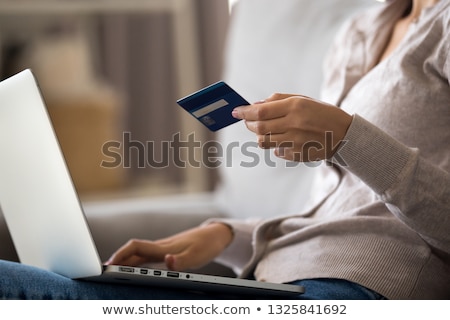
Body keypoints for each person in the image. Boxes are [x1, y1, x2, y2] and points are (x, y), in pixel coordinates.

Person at [1, 0, 449, 299]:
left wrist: (349, 135)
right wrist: (223, 236)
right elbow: (335, 208)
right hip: (277, 281)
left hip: (355, 292)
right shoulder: (362, 29)